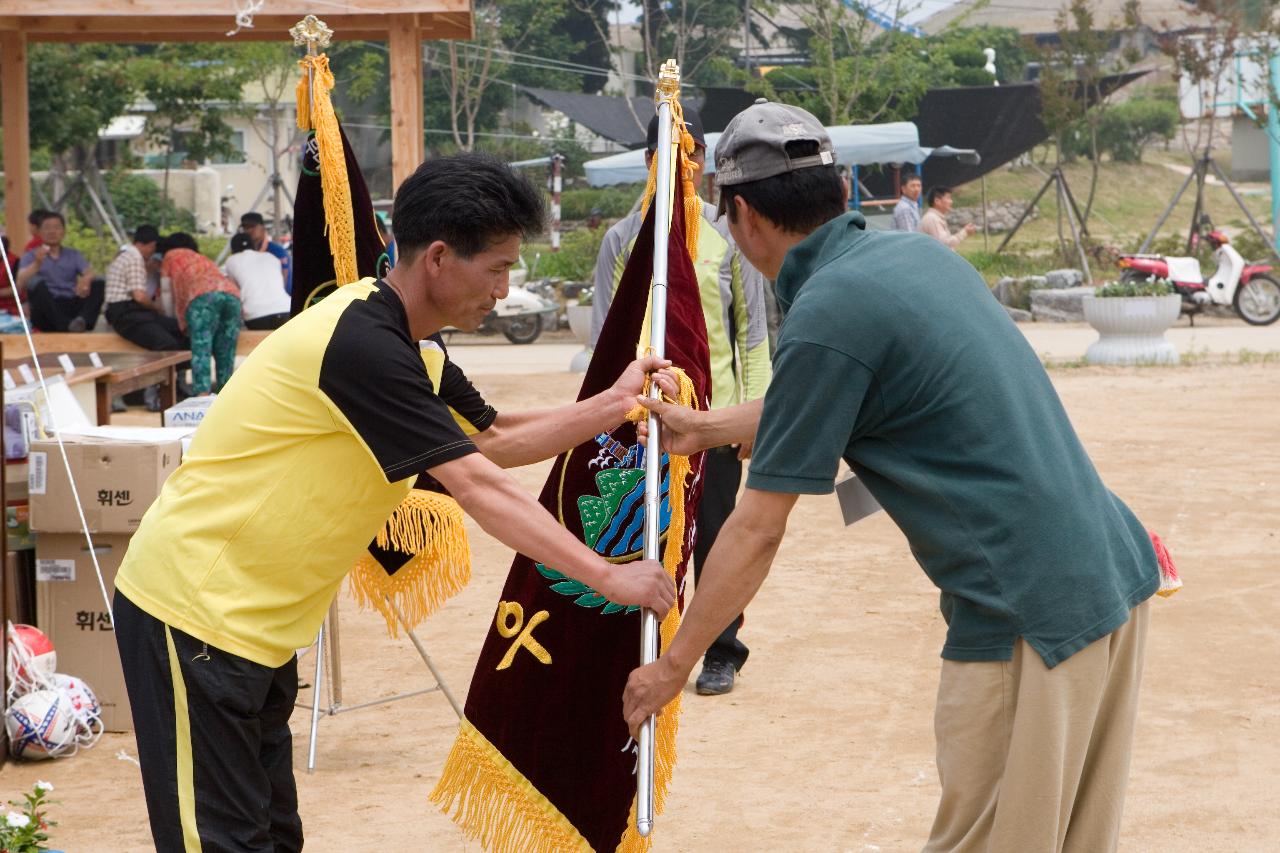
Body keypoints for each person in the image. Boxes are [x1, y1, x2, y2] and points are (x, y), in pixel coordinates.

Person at [623, 102, 1160, 852]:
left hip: (1025, 610)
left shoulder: (829, 311)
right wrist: (708, 428)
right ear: (841, 189)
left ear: (741, 213)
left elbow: (757, 525)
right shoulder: (911, 260)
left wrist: (673, 664)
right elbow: (834, 391)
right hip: (1109, 576)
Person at [113, 153, 676, 852]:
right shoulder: (361, 345)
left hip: (255, 625)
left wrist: (614, 404)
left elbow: (492, 436)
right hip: (192, 613)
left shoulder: (415, 348)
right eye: (496, 268)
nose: (504, 290)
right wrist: (607, 574)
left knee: (269, 835)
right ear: (439, 257)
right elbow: (475, 483)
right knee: (221, 842)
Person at [590, 108, 772, 696]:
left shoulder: (728, 240)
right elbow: (604, 334)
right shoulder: (622, 240)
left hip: (713, 419)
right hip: (642, 422)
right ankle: (637, 644)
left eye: (696, 158)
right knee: (635, 533)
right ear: (650, 164)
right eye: (677, 156)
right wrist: (607, 411)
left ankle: (722, 650)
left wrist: (751, 414)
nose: (688, 168)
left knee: (717, 537)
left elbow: (752, 333)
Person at [159, 233, 242, 395]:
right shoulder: (201, 258)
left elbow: (166, 291)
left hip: (203, 297)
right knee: (226, 351)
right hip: (232, 295)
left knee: (201, 348)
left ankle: (202, 397)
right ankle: (226, 396)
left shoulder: (170, 255)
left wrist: (169, 318)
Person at [15, 211, 103, 332]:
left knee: (99, 282)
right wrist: (36, 264)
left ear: (63, 232)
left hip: (71, 302)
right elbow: (20, 284)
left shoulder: (73, 254)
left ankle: (82, 320)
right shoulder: (30, 255)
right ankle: (65, 326)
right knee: (36, 282)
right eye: (47, 228)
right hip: (46, 309)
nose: (52, 232)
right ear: (39, 232)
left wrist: (86, 279)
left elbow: (89, 272)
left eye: (56, 227)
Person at [105, 225, 189, 351]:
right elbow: (139, 297)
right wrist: (157, 308)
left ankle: (177, 367)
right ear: (151, 245)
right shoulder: (134, 258)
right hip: (126, 314)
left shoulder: (127, 255)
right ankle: (163, 370)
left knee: (177, 328)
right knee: (167, 343)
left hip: (131, 311)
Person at [224, 232, 291, 330]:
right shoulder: (271, 257)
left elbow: (234, 290)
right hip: (286, 308)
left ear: (233, 248)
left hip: (255, 314)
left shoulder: (231, 260)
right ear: (254, 245)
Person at [240, 211, 292, 294]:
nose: (248, 230)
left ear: (262, 228)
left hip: (282, 299)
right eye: (245, 227)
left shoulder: (277, 251)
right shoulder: (245, 251)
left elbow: (284, 277)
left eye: (252, 226)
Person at [920, 185, 977, 249]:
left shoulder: (935, 217)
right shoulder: (932, 218)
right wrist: (965, 232)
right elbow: (944, 245)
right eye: (948, 198)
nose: (951, 202)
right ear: (937, 201)